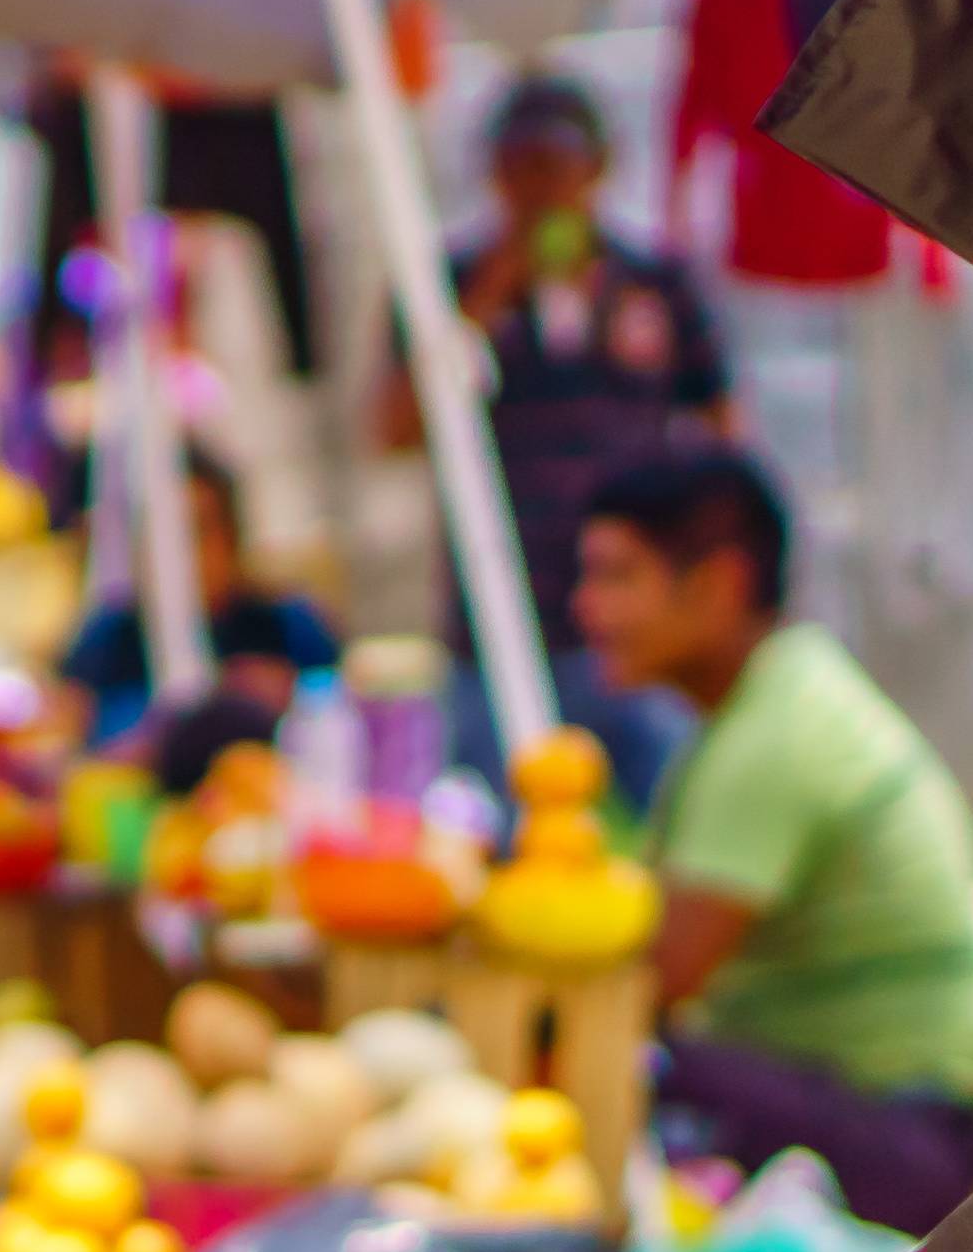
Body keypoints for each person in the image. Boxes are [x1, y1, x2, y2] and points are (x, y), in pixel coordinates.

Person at [567, 448, 973, 1233]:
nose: (587, 608)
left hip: (906, 1137)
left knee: (608, 1054)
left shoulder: (772, 736)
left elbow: (648, 985)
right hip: (887, 1113)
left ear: (719, 584)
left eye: (617, 578)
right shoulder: (761, 703)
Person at [386, 76, 728, 777]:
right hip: (496, 615)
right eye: (521, 166)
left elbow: (719, 426)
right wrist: (484, 303)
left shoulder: (652, 284)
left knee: (664, 803)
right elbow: (393, 429)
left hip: (637, 626)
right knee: (498, 821)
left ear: (596, 168)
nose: (540, 187)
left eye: (556, 165)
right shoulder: (446, 285)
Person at [56, 449, 336, 745]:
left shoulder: (288, 625)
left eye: (196, 533)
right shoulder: (107, 637)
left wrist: (294, 699)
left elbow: (340, 717)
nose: (181, 557)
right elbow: (64, 737)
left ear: (232, 537)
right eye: (162, 537)